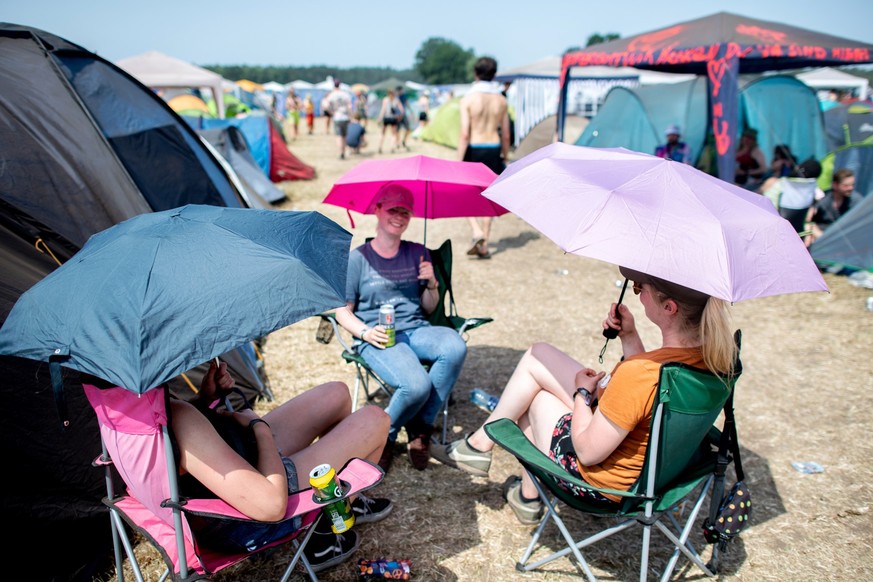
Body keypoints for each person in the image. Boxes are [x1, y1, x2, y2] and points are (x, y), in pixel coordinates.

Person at [432, 267, 736, 525]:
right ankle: (496, 463)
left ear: (669, 307)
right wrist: (629, 336)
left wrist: (581, 394)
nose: (637, 293)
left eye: (641, 288)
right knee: (540, 355)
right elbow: (654, 398)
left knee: (535, 397)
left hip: (605, 485)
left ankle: (515, 483)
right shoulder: (718, 361)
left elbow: (589, 452)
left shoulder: (642, 374)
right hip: (659, 471)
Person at [150, 360, 392, 573]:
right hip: (250, 507)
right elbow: (271, 506)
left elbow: (182, 451)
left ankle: (343, 502)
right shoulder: (179, 416)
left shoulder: (133, 404)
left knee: (336, 393)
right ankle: (324, 535)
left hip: (238, 460)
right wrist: (259, 428)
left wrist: (204, 401)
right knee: (375, 419)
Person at [334, 185, 468, 473]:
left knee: (455, 345)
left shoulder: (418, 253)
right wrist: (364, 333)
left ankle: (421, 427)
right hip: (378, 336)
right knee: (416, 384)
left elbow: (430, 307)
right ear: (377, 210)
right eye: (392, 209)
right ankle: (383, 437)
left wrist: (432, 284)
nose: (399, 216)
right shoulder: (358, 259)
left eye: (405, 211)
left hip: (416, 328)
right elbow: (342, 310)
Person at [458, 56, 510, 260]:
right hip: (493, 147)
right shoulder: (501, 100)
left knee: (465, 193)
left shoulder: (468, 99)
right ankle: (485, 243)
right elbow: (506, 134)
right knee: (490, 194)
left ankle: (476, 230)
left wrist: (458, 160)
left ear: (475, 74)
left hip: (474, 147)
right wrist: (504, 156)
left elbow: (464, 133)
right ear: (494, 75)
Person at [761, 158, 824, 233]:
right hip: (799, 232)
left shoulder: (780, 184)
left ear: (799, 168)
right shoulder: (813, 189)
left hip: (776, 231)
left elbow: (766, 208)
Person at [806, 167, 864, 246]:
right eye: (846, 186)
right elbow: (809, 221)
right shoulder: (823, 199)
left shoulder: (856, 201)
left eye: (852, 185)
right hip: (822, 238)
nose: (850, 188)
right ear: (835, 185)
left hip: (845, 240)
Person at [326, 80, 353, 160]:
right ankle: (343, 152)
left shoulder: (331, 95)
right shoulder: (345, 94)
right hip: (345, 117)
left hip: (337, 117)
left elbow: (326, 105)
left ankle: (340, 152)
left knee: (338, 136)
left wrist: (332, 113)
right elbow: (349, 107)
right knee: (344, 136)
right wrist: (350, 116)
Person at [377, 89, 403, 153]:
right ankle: (392, 147)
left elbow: (383, 110)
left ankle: (380, 146)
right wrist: (400, 117)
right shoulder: (396, 100)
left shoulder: (385, 99)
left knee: (383, 133)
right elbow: (402, 110)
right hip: (394, 118)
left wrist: (380, 118)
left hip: (386, 118)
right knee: (393, 134)